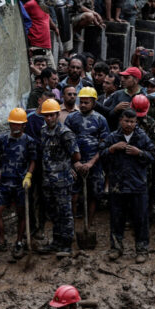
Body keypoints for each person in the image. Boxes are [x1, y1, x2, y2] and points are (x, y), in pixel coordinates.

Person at [101, 107, 155, 262]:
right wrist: (112, 149)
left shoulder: (142, 137)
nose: (129, 124)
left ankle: (142, 250)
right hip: (117, 185)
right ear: (120, 121)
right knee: (117, 219)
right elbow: (102, 155)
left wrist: (139, 153)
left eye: (132, 122)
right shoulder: (113, 137)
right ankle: (116, 248)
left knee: (140, 219)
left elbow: (153, 155)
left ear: (136, 122)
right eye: (126, 121)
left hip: (137, 185)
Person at [0, 108, 37, 256]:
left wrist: (29, 176)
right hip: (5, 182)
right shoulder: (2, 139)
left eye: (19, 125)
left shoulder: (29, 141)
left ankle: (19, 241)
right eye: (13, 124)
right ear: (9, 124)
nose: (16, 127)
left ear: (24, 125)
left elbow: (33, 160)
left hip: (21, 183)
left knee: (21, 213)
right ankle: (1, 241)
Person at [38, 99, 81, 255]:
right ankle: (56, 241)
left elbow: (76, 154)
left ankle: (67, 244)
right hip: (47, 179)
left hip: (62, 180)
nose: (49, 118)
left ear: (57, 115)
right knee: (53, 213)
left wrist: (68, 166)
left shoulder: (65, 133)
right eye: (46, 116)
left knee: (65, 212)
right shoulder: (43, 131)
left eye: (52, 115)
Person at [65, 87, 110, 225]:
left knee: (94, 195)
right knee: (73, 194)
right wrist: (74, 163)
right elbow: (66, 142)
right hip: (75, 164)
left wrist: (91, 163)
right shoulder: (72, 118)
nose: (83, 105)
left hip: (94, 164)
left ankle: (88, 223)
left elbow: (104, 145)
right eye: (81, 102)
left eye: (86, 102)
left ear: (94, 103)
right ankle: (71, 225)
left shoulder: (100, 119)